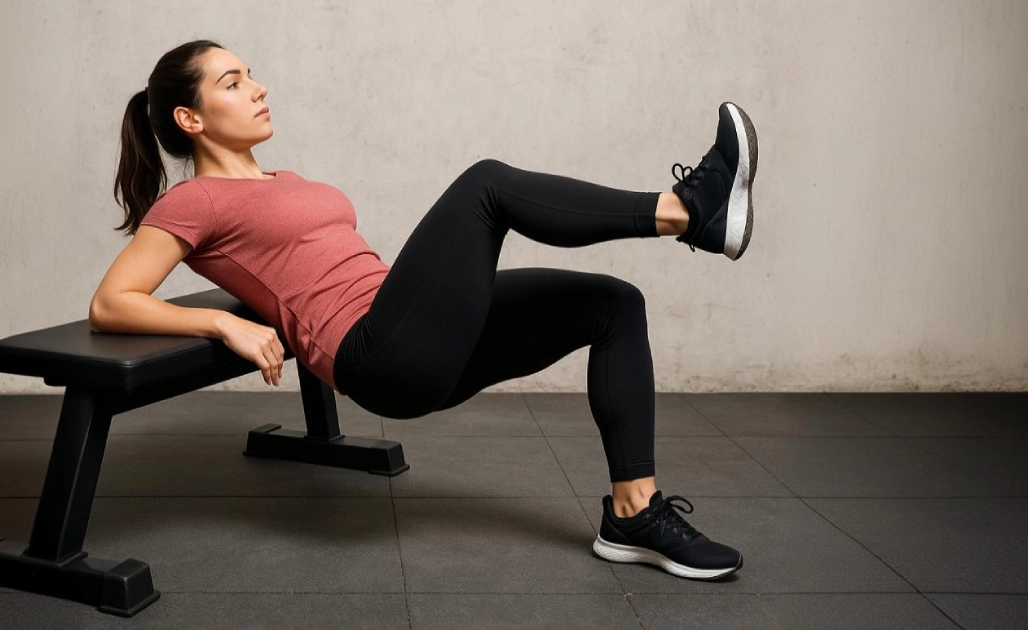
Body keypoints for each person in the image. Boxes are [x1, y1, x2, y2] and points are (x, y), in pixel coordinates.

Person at [93, 39, 757, 581]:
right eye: (233, 82)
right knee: (487, 184)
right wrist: (223, 321)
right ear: (191, 119)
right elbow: (111, 303)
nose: (258, 88)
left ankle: (634, 516)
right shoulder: (190, 202)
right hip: (378, 355)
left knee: (612, 305)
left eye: (252, 75)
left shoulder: (284, 180)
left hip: (411, 331)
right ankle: (690, 213)